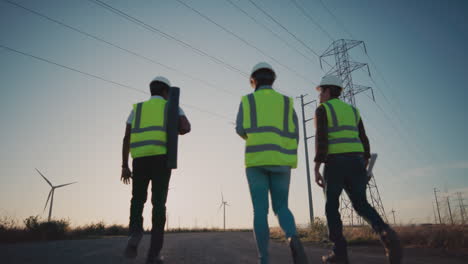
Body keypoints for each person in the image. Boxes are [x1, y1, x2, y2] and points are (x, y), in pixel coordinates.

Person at [313, 75, 402, 264]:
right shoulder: (353, 111)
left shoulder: (323, 109)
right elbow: (364, 140)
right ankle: (386, 234)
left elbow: (322, 141)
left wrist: (316, 167)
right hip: (357, 162)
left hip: (335, 163)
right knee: (361, 204)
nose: (319, 95)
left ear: (328, 91)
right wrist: (365, 166)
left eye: (320, 91)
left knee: (332, 206)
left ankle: (340, 254)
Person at [236, 62, 309, 264]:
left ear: (254, 81)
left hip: (256, 161)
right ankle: (293, 238)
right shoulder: (286, 103)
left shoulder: (247, 101)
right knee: (282, 208)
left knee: (260, 210)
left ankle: (264, 259)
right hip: (282, 162)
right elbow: (295, 133)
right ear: (273, 80)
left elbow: (240, 129)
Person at [121, 76, 191, 264]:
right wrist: (174, 130)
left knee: (137, 199)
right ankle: (154, 254)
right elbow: (185, 127)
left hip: (139, 160)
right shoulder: (172, 106)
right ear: (166, 92)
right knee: (158, 203)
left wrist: (124, 165)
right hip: (161, 159)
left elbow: (126, 138)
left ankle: (135, 233)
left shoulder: (137, 109)